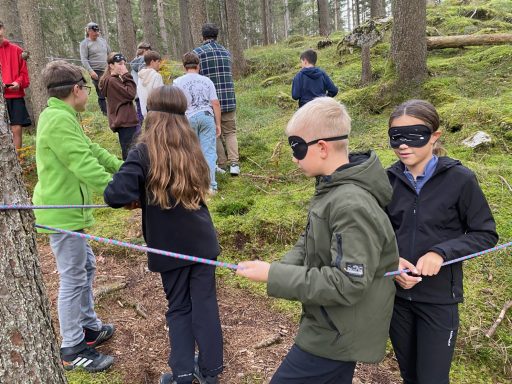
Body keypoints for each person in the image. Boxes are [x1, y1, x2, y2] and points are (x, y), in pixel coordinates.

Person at [236, 97, 399, 384]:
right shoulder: (331, 189)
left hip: (336, 333)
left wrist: (274, 275)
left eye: (297, 147)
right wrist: (275, 267)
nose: (293, 157)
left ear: (322, 147)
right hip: (328, 323)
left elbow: (349, 282)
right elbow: (309, 239)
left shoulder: (351, 204)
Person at [104, 85, 223, 384]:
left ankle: (183, 373)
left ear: (151, 115)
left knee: (180, 308)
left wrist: (137, 194)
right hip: (202, 241)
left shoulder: (144, 152)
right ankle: (210, 372)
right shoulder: (192, 146)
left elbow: (114, 194)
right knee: (205, 305)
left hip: (170, 248)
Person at [386, 100, 499, 384]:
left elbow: (485, 234)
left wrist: (441, 252)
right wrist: (391, 260)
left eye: (414, 135)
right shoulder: (387, 180)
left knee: (432, 379)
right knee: (410, 375)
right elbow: (379, 234)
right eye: (396, 137)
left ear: (435, 136)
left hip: (438, 301)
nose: (403, 145)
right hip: (396, 299)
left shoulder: (460, 179)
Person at [33, 60, 122, 372]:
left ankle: (88, 327)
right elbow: (82, 163)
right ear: (76, 89)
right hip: (61, 213)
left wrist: (126, 172)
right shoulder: (57, 120)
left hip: (72, 212)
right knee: (72, 277)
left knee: (86, 265)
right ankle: (72, 347)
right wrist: (118, 192)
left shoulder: (63, 116)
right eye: (85, 88)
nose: (87, 93)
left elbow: (94, 151)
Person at [193, 23, 239, 176]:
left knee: (215, 132)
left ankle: (222, 164)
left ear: (203, 36)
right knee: (231, 131)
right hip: (228, 97)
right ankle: (235, 164)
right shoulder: (226, 52)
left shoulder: (197, 53)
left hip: (209, 101)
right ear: (216, 35)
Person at [173, 52, 221, 192]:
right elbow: (215, 103)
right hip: (207, 117)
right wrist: (217, 123)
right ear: (198, 65)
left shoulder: (178, 82)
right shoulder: (207, 81)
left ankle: (192, 184)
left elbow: (176, 104)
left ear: (184, 66)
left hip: (188, 118)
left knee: (188, 152)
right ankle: (211, 185)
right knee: (209, 152)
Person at [99, 52, 139, 160]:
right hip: (125, 121)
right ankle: (130, 173)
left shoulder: (114, 79)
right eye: (120, 64)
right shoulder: (112, 81)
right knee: (130, 152)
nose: (123, 67)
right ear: (111, 65)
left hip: (125, 120)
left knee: (131, 150)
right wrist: (126, 75)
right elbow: (131, 94)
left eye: (124, 64)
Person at [0, 20, 31, 150]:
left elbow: (25, 76)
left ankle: (18, 161)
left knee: (16, 129)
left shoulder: (17, 50)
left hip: (15, 96)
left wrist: (17, 83)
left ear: (3, 29)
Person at [80, 22, 110, 115]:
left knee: (110, 89)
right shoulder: (84, 43)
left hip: (106, 69)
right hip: (95, 71)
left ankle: (113, 110)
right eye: (94, 31)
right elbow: (84, 59)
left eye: (97, 31)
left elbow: (109, 53)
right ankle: (105, 113)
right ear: (88, 31)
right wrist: (90, 71)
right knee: (101, 91)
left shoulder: (103, 41)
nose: (96, 33)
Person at [137, 50, 164, 118]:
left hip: (145, 112)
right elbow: (159, 95)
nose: (159, 64)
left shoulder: (140, 76)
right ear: (152, 62)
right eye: (158, 62)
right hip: (156, 112)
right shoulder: (156, 76)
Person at [131, 41, 151, 125]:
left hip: (137, 93)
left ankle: (138, 132)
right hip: (144, 93)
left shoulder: (135, 61)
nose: (150, 52)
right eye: (149, 50)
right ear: (144, 50)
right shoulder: (144, 61)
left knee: (139, 114)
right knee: (147, 114)